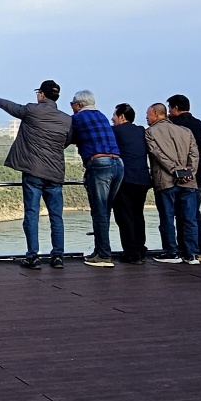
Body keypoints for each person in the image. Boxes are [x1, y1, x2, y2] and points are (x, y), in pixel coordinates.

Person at [0, 81, 72, 270]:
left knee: (32, 215)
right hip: (55, 173)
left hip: (33, 171)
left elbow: (13, 108)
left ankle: (33, 257)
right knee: (56, 217)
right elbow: (67, 140)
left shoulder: (32, 111)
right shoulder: (66, 119)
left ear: (41, 94)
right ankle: (58, 256)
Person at [69, 90, 123, 269]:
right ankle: (99, 250)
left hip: (99, 163)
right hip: (118, 164)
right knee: (105, 211)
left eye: (72, 105)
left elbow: (67, 138)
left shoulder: (77, 119)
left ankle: (104, 255)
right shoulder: (101, 116)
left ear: (79, 105)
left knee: (99, 211)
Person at [145, 103, 201, 266]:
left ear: (156, 114)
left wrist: (175, 170)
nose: (147, 118)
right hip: (189, 181)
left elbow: (157, 154)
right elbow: (194, 155)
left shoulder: (150, 132)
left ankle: (172, 252)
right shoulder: (186, 131)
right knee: (190, 218)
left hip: (165, 181)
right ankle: (192, 254)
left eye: (148, 114)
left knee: (167, 218)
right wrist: (189, 172)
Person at [167, 94, 201, 257]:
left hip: (178, 173)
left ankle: (184, 247)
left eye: (170, 108)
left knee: (180, 213)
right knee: (195, 213)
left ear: (175, 108)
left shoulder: (172, 124)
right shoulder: (198, 124)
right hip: (196, 172)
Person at [111, 104, 151, 265]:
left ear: (121, 116)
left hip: (125, 179)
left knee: (124, 217)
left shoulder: (115, 131)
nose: (112, 118)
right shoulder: (141, 130)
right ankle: (140, 249)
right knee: (138, 215)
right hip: (143, 179)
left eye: (114, 115)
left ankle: (131, 253)